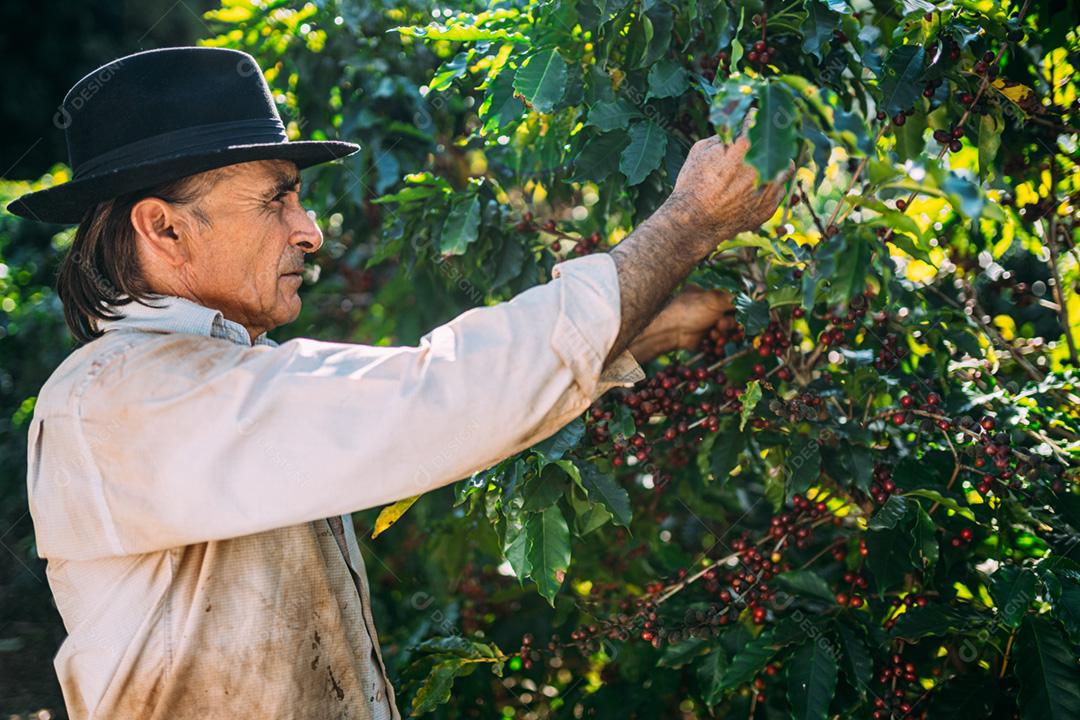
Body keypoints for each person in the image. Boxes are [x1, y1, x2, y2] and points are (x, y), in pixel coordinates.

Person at [9, 46, 789, 719]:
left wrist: (646, 326)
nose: (309, 230)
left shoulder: (215, 381)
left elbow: (416, 405)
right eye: (277, 196)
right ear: (164, 227)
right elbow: (437, 395)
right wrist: (688, 221)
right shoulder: (120, 398)